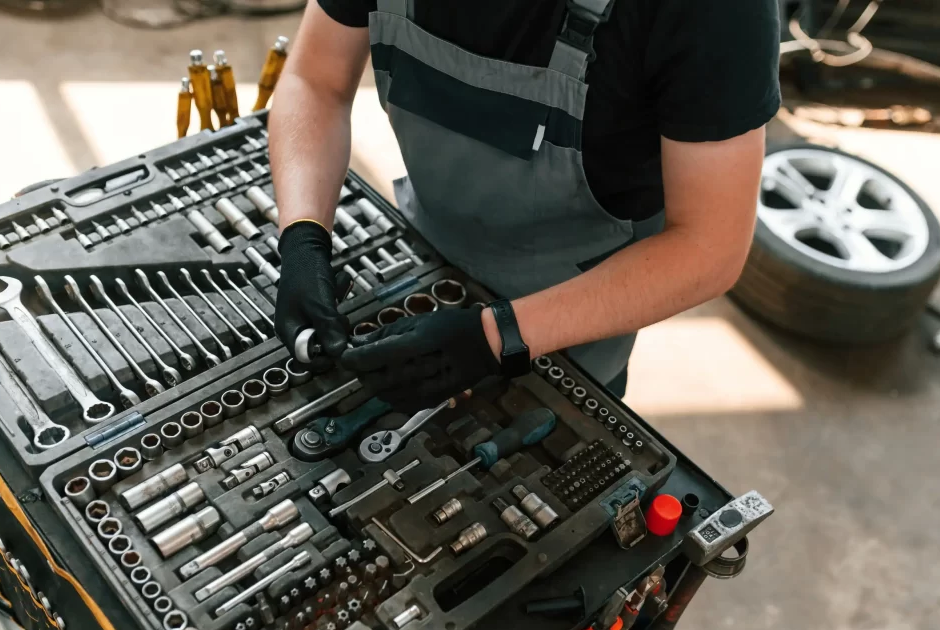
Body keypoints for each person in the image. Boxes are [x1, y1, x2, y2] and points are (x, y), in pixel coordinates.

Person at [269, 0, 780, 412]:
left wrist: (499, 335)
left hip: (574, 332)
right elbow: (316, 80)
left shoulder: (715, 12)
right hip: (425, 262)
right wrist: (302, 235)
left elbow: (710, 247)